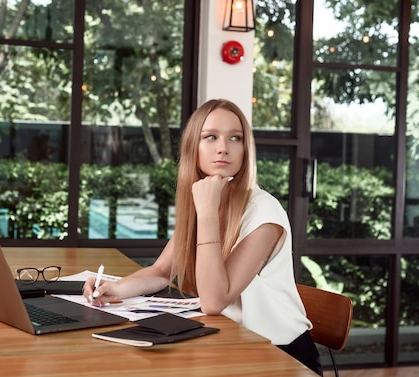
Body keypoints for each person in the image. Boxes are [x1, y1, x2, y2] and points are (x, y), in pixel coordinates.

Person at [83, 99, 322, 376]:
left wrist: (207, 214)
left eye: (235, 138)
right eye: (210, 137)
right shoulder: (207, 199)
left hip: (280, 355)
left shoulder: (264, 210)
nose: (223, 147)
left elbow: (213, 300)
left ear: (246, 149)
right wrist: (116, 288)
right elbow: (162, 270)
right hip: (230, 340)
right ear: (192, 148)